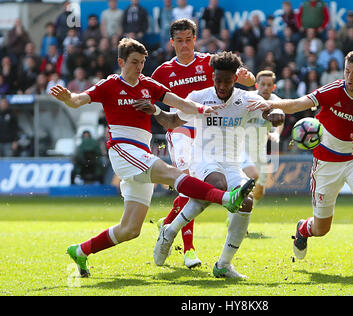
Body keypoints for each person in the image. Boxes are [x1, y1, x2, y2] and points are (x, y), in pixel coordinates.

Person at [49, 38, 254, 277]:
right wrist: (68, 98)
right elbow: (77, 100)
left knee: (130, 229)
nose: (139, 67)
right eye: (134, 62)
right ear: (120, 62)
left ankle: (80, 251)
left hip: (142, 153)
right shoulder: (108, 85)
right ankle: (226, 198)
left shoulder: (148, 84)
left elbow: (179, 103)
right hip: (123, 149)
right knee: (173, 174)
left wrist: (201, 109)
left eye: (142, 62)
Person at [248, 50, 353, 277]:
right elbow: (298, 103)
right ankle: (302, 229)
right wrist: (269, 106)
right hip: (326, 164)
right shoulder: (332, 90)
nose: (349, 77)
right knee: (321, 228)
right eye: (347, 71)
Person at [136, 51, 283, 278]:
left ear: (235, 79)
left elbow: (269, 111)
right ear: (212, 77)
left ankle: (221, 262)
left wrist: (275, 116)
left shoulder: (246, 99)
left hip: (233, 164)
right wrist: (155, 110)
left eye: (226, 81)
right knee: (219, 184)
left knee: (246, 202)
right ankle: (171, 231)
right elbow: (172, 121)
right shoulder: (199, 96)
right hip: (204, 159)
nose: (221, 86)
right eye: (217, 80)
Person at [150, 18, 256, 269]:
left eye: (189, 40)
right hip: (181, 128)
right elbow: (148, 96)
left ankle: (170, 228)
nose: (185, 45)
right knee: (191, 184)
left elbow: (245, 81)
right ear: (172, 42)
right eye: (179, 41)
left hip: (211, 131)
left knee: (198, 189)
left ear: (195, 39)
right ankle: (188, 249)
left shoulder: (209, 62)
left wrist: (247, 77)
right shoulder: (162, 72)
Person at [241, 70, 285, 202]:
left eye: (269, 84)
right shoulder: (246, 98)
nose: (265, 87)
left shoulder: (277, 102)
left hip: (260, 148)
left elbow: (280, 119)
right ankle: (236, 212)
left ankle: (243, 208)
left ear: (274, 87)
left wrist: (276, 133)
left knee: (259, 192)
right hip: (241, 146)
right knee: (247, 179)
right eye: (263, 84)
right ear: (256, 85)